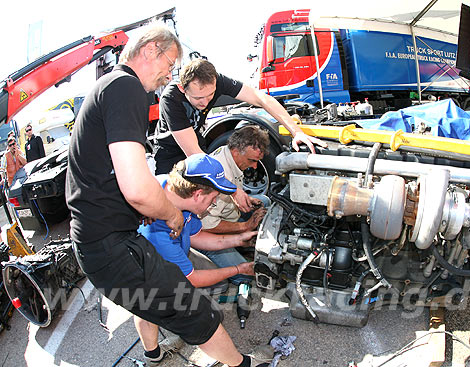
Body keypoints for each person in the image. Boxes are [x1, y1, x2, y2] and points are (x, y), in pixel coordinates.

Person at [66, 24, 261, 367]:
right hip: (111, 244)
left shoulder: (108, 87)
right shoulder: (125, 87)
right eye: (169, 64)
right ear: (150, 49)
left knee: (148, 301)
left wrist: (243, 233)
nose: (169, 74)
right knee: (194, 310)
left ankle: (152, 354)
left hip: (100, 241)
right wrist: (170, 216)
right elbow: (137, 190)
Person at [134, 154, 268, 365]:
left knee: (219, 283)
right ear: (197, 194)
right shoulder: (157, 230)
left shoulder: (174, 190)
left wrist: (240, 239)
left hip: (177, 256)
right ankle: (154, 352)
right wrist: (239, 269)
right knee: (206, 320)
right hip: (147, 270)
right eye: (214, 199)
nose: (214, 204)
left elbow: (196, 236)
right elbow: (192, 278)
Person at [153, 59, 327, 212]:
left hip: (195, 140)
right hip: (171, 153)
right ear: (183, 88)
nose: (205, 103)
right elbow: (194, 154)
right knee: (172, 206)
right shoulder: (171, 98)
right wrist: (234, 191)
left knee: (205, 203)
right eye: (199, 98)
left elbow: (261, 98)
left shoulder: (217, 80)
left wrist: (296, 131)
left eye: (210, 95)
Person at [202, 125, 269, 235]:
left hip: (229, 213)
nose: (255, 166)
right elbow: (206, 225)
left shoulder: (227, 152)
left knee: (264, 201)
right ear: (235, 151)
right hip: (207, 232)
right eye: (251, 160)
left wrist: (248, 199)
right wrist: (246, 226)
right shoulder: (220, 174)